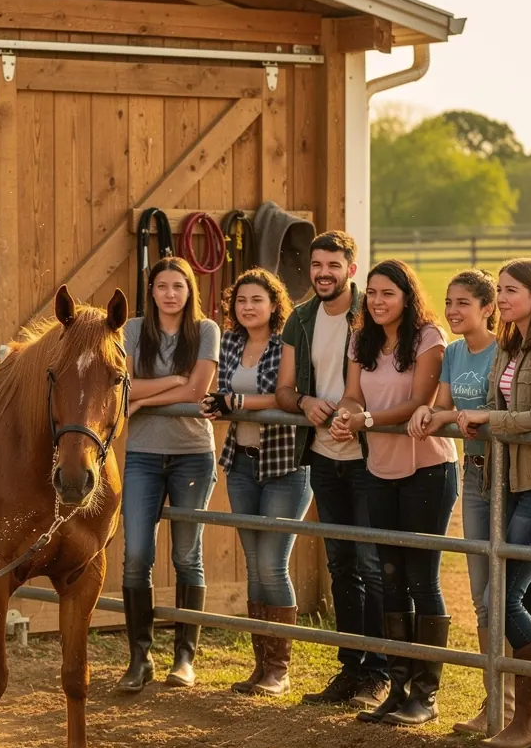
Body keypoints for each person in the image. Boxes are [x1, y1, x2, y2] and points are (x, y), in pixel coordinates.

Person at [455, 258, 531, 748]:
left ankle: (530, 716)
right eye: (501, 290)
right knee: (527, 598)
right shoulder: (510, 344)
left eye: (512, 290)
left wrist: (489, 419)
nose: (503, 298)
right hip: (508, 480)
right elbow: (501, 405)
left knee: (500, 596)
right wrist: (477, 417)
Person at [330, 259, 458, 725]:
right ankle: (398, 686)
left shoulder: (428, 338)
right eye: (373, 293)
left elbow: (418, 403)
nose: (378, 302)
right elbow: (352, 394)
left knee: (422, 578)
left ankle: (426, 693)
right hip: (379, 465)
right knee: (389, 577)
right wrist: (346, 415)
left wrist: (364, 421)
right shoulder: (360, 338)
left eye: (388, 293)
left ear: (407, 296)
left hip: (427, 467)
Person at [276, 231, 388, 709]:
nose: (323, 273)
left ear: (351, 269)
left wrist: (349, 411)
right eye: (317, 265)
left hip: (367, 456)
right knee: (340, 562)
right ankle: (350, 668)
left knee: (371, 561)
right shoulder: (300, 318)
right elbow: (283, 388)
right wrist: (303, 401)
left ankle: (380, 671)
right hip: (322, 455)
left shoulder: (374, 313)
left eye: (333, 265)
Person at [201, 268, 311, 696]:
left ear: (273, 305)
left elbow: (291, 392)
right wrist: (219, 404)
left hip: (284, 464)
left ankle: (279, 669)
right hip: (243, 463)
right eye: (241, 301)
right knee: (253, 563)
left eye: (257, 301)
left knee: (272, 561)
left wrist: (239, 402)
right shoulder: (231, 342)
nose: (248, 308)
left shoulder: (288, 342)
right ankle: (260, 665)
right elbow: (227, 392)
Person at [407, 269, 508, 733]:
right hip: (474, 472)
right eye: (448, 302)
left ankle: (512, 703)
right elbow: (446, 406)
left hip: (509, 476)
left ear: (488, 308)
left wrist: (448, 413)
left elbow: (496, 412)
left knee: (504, 591)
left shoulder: (503, 352)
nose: (452, 311)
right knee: (481, 593)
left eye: (463, 303)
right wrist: (436, 410)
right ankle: (503, 701)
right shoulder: (451, 352)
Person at [118, 257, 220, 692]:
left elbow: (199, 391)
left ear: (189, 289)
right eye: (162, 286)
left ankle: (184, 658)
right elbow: (122, 386)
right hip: (142, 453)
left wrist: (144, 398)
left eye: (178, 286)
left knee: (186, 555)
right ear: (152, 291)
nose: (170, 294)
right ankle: (139, 658)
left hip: (191, 453)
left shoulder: (206, 331)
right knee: (137, 554)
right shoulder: (134, 331)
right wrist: (171, 381)